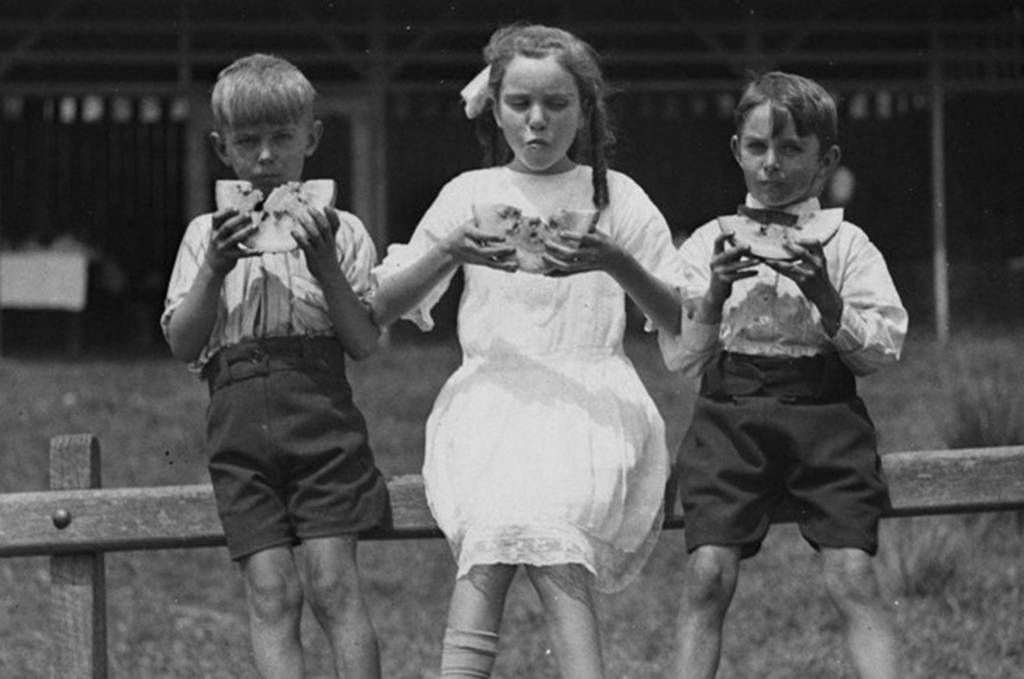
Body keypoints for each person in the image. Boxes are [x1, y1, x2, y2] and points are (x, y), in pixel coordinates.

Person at [369, 24, 683, 679]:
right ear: (495, 107)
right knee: (489, 540)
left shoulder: (616, 197)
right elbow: (381, 308)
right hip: (493, 399)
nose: (537, 122)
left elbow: (681, 316)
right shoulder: (470, 195)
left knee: (556, 541)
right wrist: (448, 250)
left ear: (585, 110)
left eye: (557, 105)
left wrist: (619, 264)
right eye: (520, 105)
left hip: (588, 401)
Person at [663, 71, 908, 679]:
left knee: (852, 573)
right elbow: (683, 359)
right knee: (707, 575)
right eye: (757, 148)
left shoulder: (847, 244)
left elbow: (882, 352)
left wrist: (826, 297)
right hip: (730, 418)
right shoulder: (707, 243)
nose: (771, 165)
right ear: (737, 151)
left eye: (792, 149)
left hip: (825, 418)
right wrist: (716, 294)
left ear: (826, 161)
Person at [161, 53, 390, 679]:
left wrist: (324, 268)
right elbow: (184, 345)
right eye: (247, 142)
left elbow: (363, 342)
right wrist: (214, 266)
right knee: (270, 593)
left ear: (311, 139)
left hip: (320, 417)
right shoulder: (202, 235)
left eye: (282, 139)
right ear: (222, 148)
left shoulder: (343, 233)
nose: (265, 157)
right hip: (237, 426)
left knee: (332, 584)